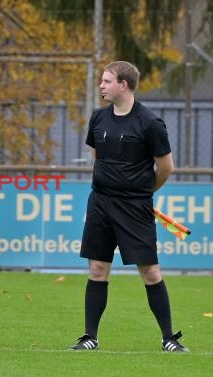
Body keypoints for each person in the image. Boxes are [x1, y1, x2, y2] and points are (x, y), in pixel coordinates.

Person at [69, 61, 188, 352]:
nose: (101, 85)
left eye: (107, 81)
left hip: (134, 208)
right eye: (102, 80)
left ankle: (169, 338)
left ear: (123, 85)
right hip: (99, 203)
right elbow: (98, 157)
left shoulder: (150, 123)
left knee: (150, 271)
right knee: (97, 268)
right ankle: (90, 337)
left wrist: (141, 192)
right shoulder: (98, 118)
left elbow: (165, 167)